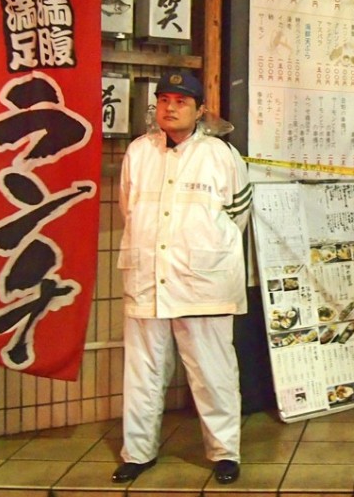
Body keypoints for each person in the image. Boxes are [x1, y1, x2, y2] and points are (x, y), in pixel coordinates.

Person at [112, 71, 252, 485]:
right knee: (143, 370)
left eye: (181, 101)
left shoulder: (221, 155)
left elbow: (237, 214)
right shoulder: (138, 152)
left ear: (199, 110)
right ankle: (137, 453)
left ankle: (225, 452)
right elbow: (129, 208)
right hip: (147, 276)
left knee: (213, 370)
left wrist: (199, 247)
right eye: (164, 100)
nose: (170, 108)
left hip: (202, 281)